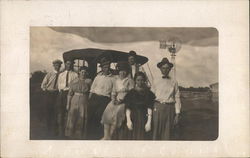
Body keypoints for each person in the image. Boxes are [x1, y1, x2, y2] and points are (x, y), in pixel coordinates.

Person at [101, 62, 134, 140]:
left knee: (116, 114)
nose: (122, 73)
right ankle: (106, 136)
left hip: (125, 101)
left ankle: (110, 136)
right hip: (116, 100)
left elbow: (132, 94)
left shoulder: (129, 80)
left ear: (127, 71)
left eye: (124, 71)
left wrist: (122, 101)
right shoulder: (116, 80)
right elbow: (113, 92)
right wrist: (113, 99)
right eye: (120, 71)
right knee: (107, 113)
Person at [152, 57, 181, 140]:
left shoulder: (174, 81)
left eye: (167, 68)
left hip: (169, 109)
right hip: (157, 108)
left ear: (170, 69)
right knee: (156, 131)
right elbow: (151, 95)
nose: (165, 70)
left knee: (167, 133)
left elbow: (177, 97)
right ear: (160, 69)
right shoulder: (155, 80)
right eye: (163, 68)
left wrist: (177, 114)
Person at [87, 58, 115, 139]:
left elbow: (113, 91)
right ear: (102, 68)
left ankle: (98, 135)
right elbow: (92, 89)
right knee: (90, 116)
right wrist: (90, 100)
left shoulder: (113, 78)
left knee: (100, 117)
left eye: (107, 67)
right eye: (104, 67)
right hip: (94, 98)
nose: (106, 68)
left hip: (105, 100)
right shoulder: (98, 77)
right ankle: (89, 135)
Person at [123, 72, 155, 140]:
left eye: (142, 80)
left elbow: (149, 107)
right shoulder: (131, 93)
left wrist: (149, 122)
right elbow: (128, 107)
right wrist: (128, 120)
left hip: (144, 117)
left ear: (144, 80)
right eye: (138, 80)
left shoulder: (148, 93)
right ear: (135, 80)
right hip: (133, 117)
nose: (140, 82)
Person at [65, 66, 92, 139]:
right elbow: (70, 93)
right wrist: (68, 104)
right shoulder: (74, 81)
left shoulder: (89, 81)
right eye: (82, 72)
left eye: (85, 72)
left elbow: (90, 93)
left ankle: (79, 134)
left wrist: (88, 101)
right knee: (73, 115)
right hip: (74, 99)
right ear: (79, 72)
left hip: (84, 100)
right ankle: (71, 133)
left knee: (82, 116)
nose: (83, 73)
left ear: (87, 73)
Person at [56, 60, 78, 138]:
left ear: (72, 65)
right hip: (62, 94)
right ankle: (60, 131)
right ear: (65, 64)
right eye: (67, 64)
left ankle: (68, 131)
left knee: (69, 112)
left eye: (70, 64)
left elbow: (75, 85)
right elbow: (59, 84)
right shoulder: (61, 74)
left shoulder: (75, 75)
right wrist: (61, 91)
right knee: (60, 112)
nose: (69, 65)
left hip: (70, 94)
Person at [41, 59, 62, 138]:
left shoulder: (61, 74)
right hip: (49, 94)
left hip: (57, 94)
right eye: (56, 65)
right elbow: (43, 85)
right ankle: (47, 129)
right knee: (48, 110)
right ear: (53, 66)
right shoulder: (49, 74)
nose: (57, 67)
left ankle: (55, 130)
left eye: (59, 65)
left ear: (60, 66)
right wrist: (47, 90)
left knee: (56, 112)